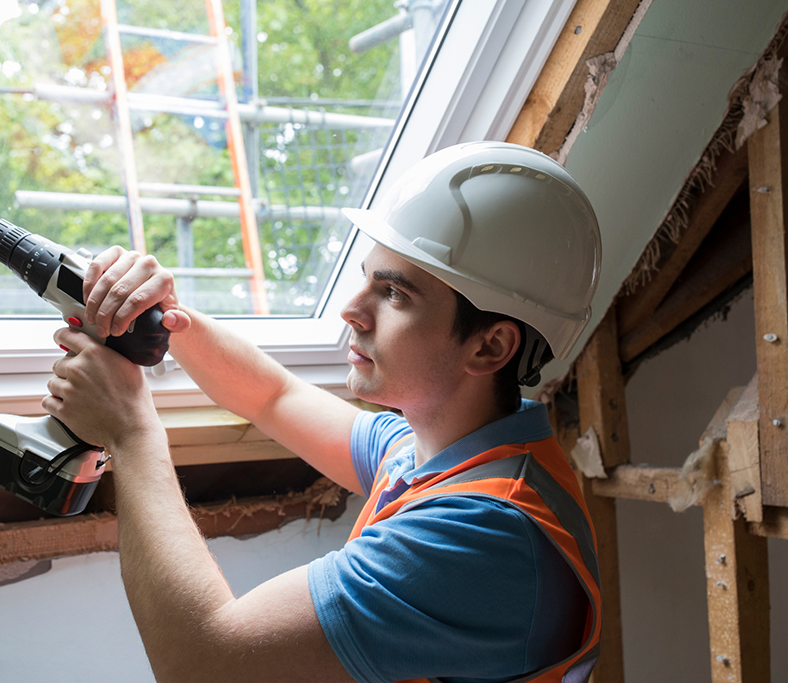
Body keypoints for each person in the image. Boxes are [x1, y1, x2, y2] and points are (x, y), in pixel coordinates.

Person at [43, 141, 603, 683]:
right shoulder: (438, 449)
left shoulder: (485, 534)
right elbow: (273, 396)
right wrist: (161, 316)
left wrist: (131, 430)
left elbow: (201, 666)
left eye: (395, 295)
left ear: (490, 347)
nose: (352, 309)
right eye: (367, 277)